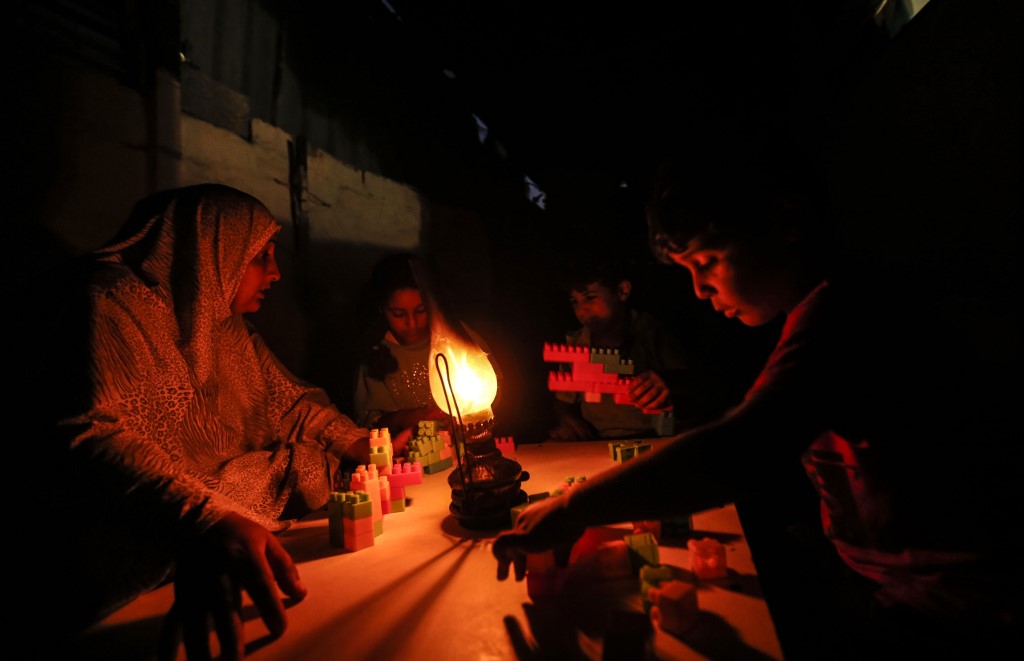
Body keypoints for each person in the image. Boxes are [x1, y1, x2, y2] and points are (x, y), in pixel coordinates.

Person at [492, 154, 1021, 659]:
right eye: (688, 270)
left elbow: (744, 446)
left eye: (709, 261)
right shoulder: (810, 312)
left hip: (955, 606)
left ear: (785, 220)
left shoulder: (849, 314)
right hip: (882, 581)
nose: (700, 289)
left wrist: (571, 508)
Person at [31, 184, 373, 660]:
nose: (275, 273)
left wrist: (359, 442)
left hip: (230, 528)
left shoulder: (225, 327)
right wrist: (204, 519)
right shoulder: (107, 302)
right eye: (260, 257)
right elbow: (91, 437)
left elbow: (289, 402)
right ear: (213, 250)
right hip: (139, 565)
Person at [547, 254, 729, 440]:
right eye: (574, 301)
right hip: (597, 440)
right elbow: (563, 401)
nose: (581, 310)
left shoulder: (652, 333)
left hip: (654, 437)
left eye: (590, 298)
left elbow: (695, 383)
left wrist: (668, 382)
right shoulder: (577, 345)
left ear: (622, 291)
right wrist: (568, 420)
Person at [352, 252, 450, 444]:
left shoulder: (454, 344)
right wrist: (405, 418)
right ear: (381, 308)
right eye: (398, 314)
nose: (411, 323)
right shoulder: (375, 357)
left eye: (420, 310)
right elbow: (366, 425)